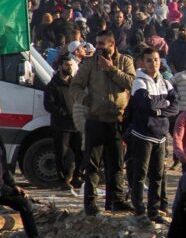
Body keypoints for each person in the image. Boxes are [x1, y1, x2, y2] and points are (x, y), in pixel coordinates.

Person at [70, 29, 136, 215]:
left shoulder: (125, 61)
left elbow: (132, 83)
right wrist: (86, 100)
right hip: (96, 120)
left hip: (117, 120)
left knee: (115, 164)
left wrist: (111, 69)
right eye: (96, 43)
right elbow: (75, 86)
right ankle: (90, 203)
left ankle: (116, 201)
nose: (97, 47)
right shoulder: (90, 63)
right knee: (92, 165)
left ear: (112, 44)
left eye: (101, 44)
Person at [129, 47, 178, 221]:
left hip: (161, 135)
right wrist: (162, 105)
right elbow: (145, 105)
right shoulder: (139, 81)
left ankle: (154, 210)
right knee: (140, 174)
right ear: (143, 62)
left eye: (156, 59)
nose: (153, 63)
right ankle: (139, 209)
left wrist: (158, 108)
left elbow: (175, 105)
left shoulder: (165, 82)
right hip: (144, 134)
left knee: (157, 175)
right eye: (149, 60)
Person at [43, 57, 82, 194]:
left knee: (80, 152)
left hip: (76, 124)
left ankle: (76, 177)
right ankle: (63, 180)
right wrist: (64, 112)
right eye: (66, 65)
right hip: (61, 125)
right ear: (60, 66)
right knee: (62, 153)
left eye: (71, 65)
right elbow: (49, 105)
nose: (69, 67)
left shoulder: (74, 84)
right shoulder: (52, 86)